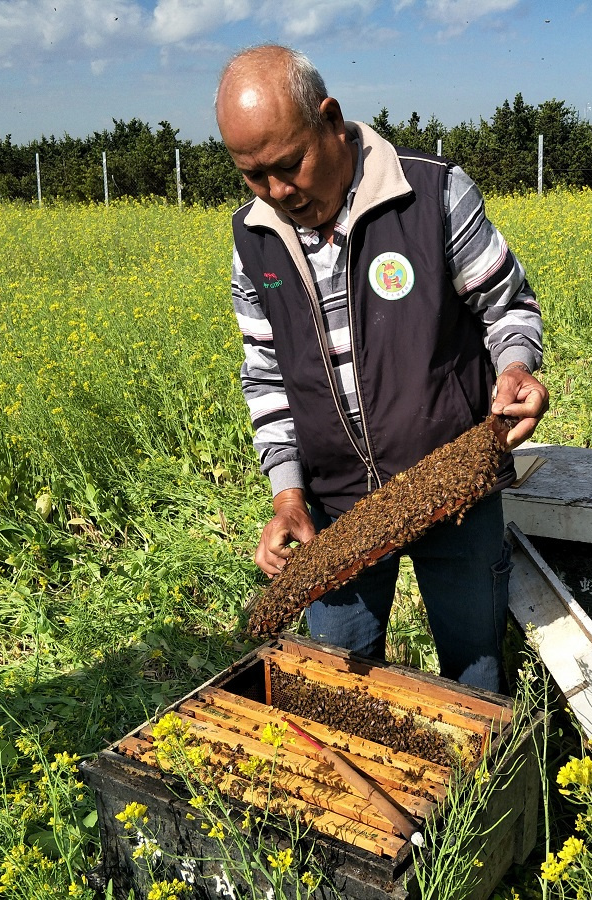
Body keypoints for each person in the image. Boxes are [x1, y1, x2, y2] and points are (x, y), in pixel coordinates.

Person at [216, 44, 548, 693]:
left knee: (475, 676)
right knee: (339, 685)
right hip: (335, 509)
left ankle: (485, 789)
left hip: (456, 490)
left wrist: (516, 366)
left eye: (290, 165)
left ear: (329, 119)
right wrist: (287, 494)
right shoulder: (252, 239)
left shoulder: (430, 193)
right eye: (254, 176)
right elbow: (266, 377)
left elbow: (506, 304)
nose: (279, 192)